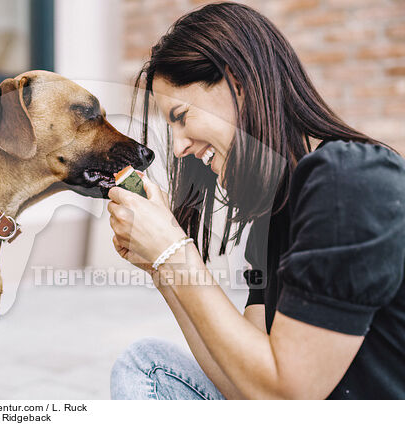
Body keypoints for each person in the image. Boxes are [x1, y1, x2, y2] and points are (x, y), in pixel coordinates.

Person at [107, 2, 405, 399]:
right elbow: (244, 382)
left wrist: (174, 252)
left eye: (180, 115)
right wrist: (162, 269)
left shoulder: (349, 180)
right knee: (147, 365)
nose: (176, 147)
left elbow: (285, 396)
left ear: (238, 85)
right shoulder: (277, 215)